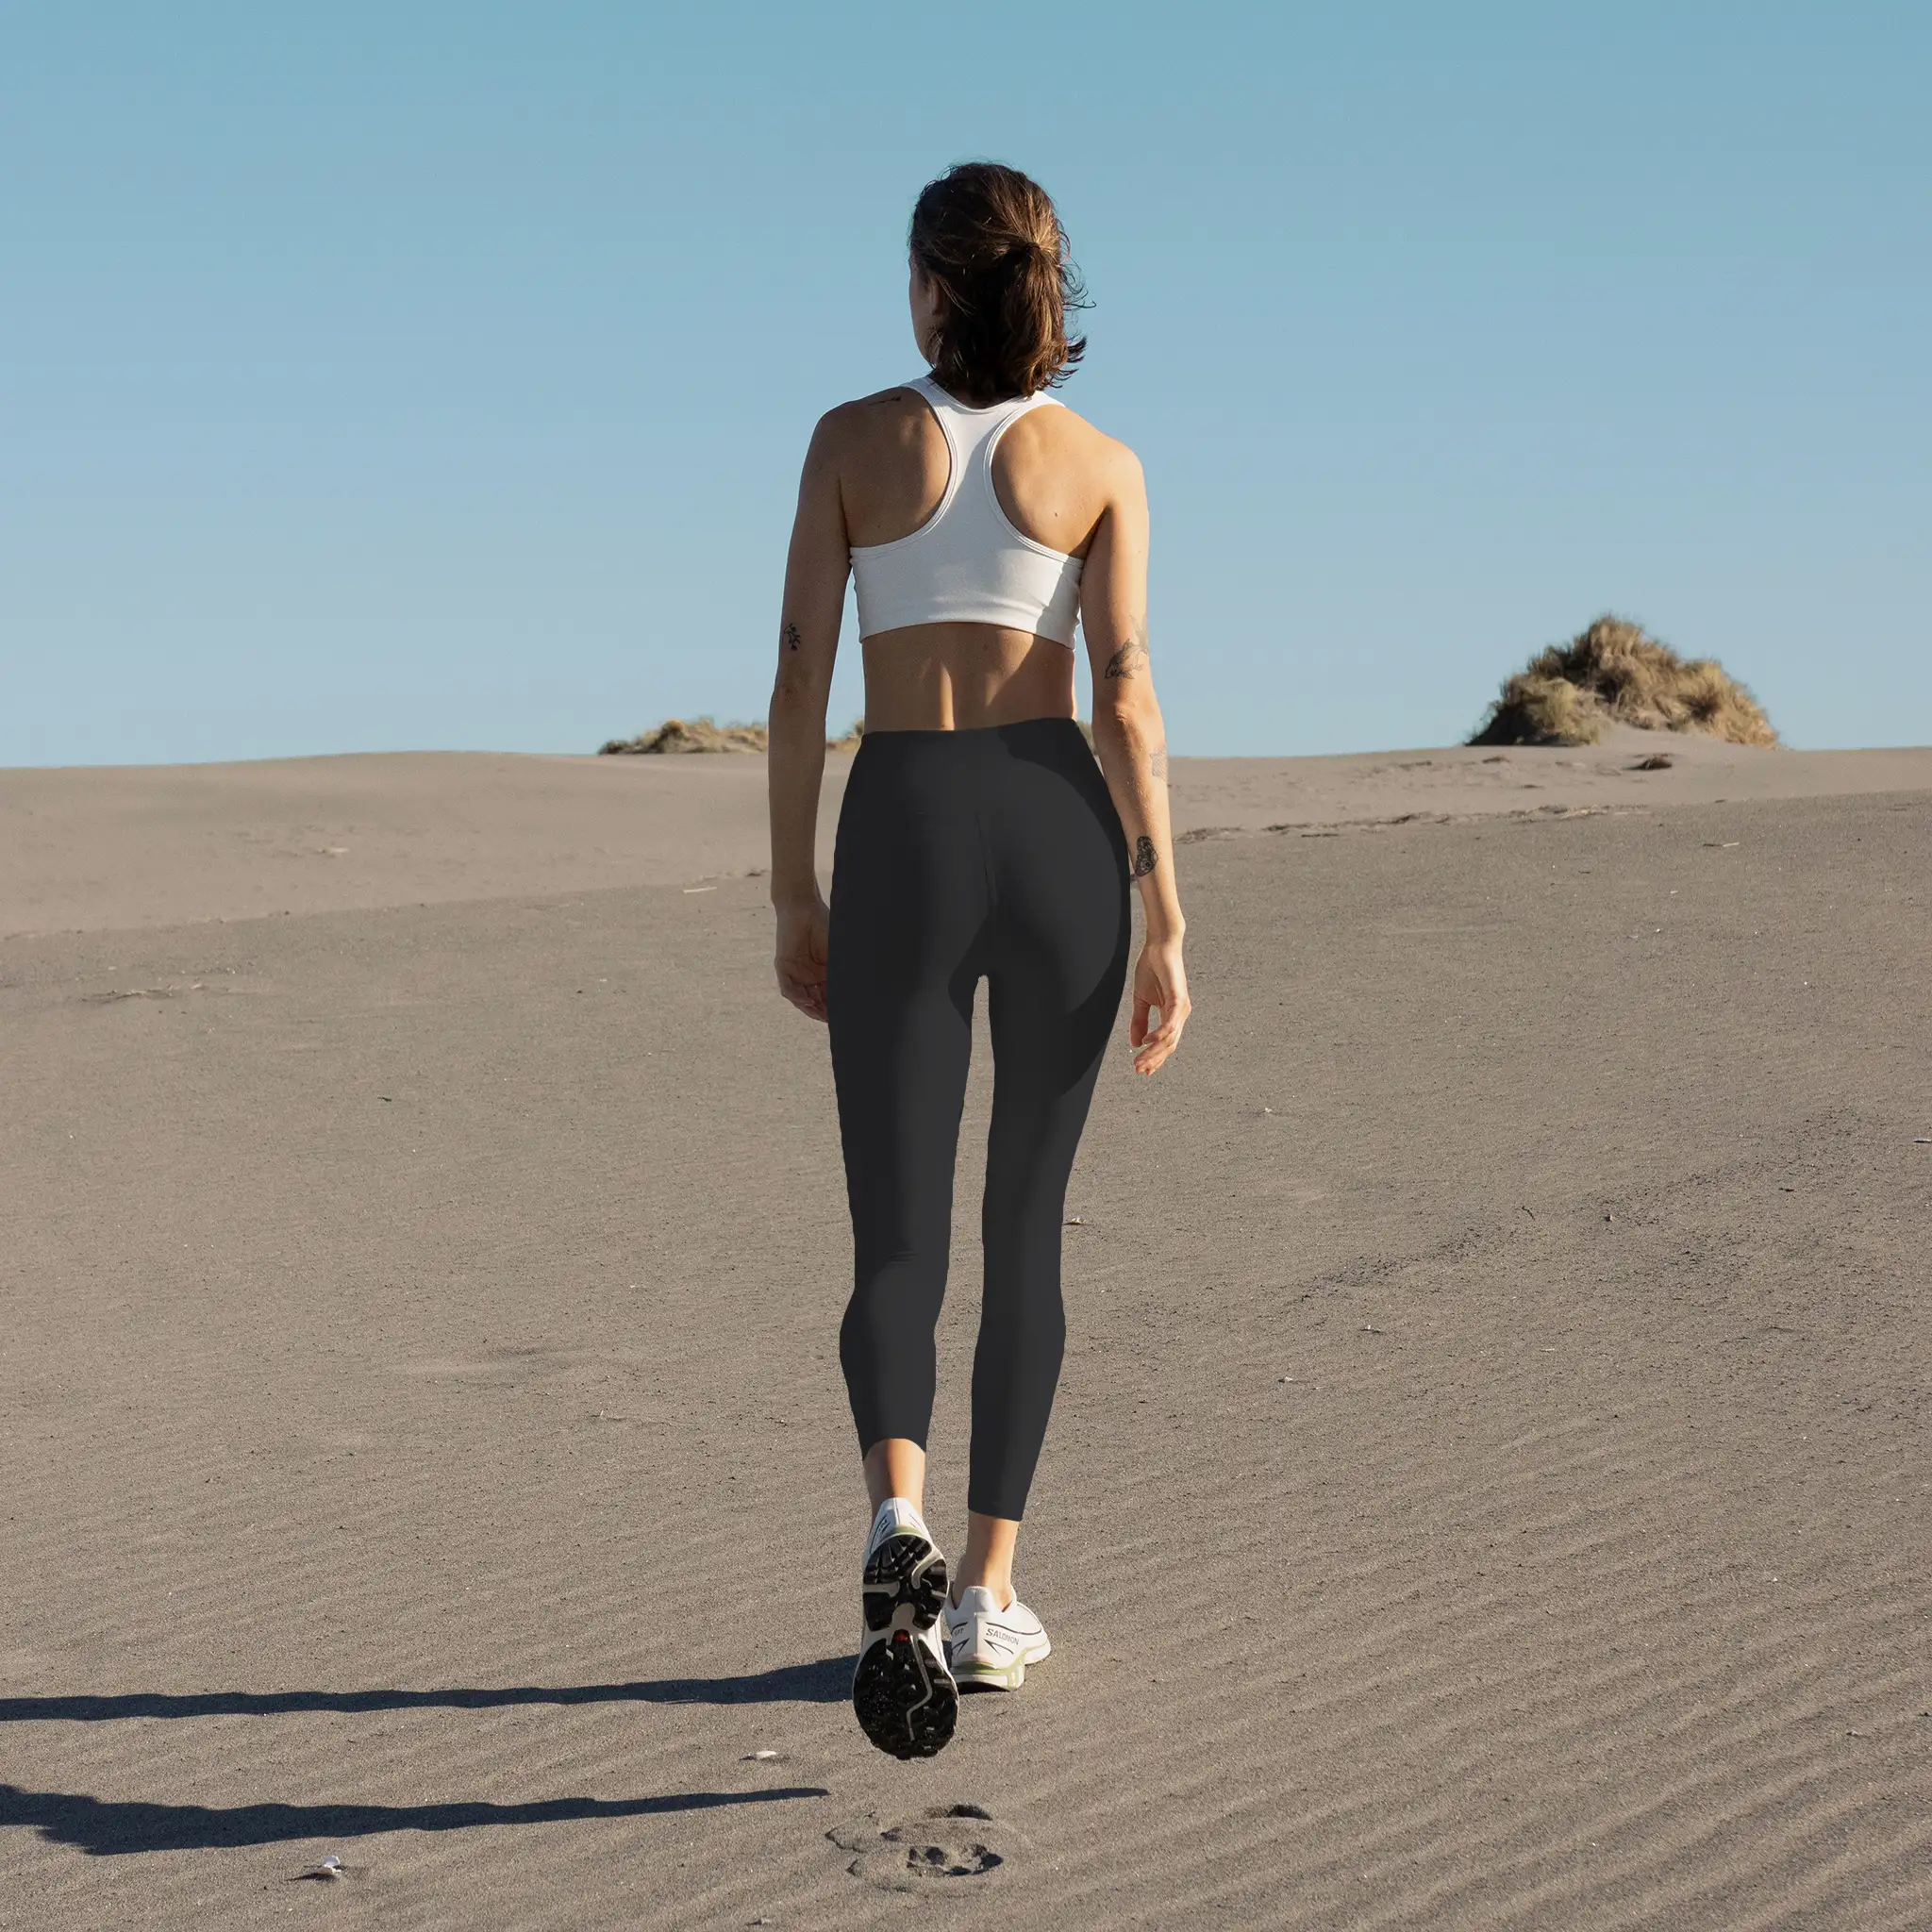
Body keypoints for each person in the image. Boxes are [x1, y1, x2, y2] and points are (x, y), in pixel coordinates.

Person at [766, 160, 1191, 1759]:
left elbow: (799, 676)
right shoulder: (1103, 463)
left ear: (934, 286)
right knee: (1028, 1229)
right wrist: (1164, 910)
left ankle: (899, 1516)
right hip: (1058, 824)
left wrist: (794, 890)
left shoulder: (849, 441)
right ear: (1048, 290)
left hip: (905, 822)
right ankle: (991, 1598)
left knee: (898, 1232)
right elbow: (1127, 695)